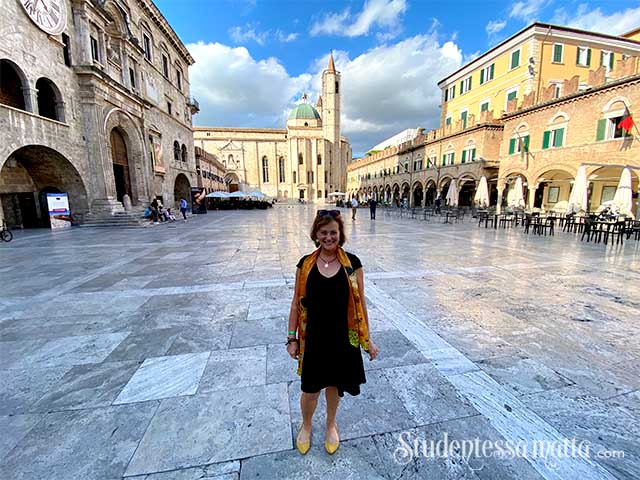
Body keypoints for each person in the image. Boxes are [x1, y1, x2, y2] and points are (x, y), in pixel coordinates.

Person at [287, 210, 378, 456]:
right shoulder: (305, 264)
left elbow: (361, 303)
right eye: (324, 232)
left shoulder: (353, 264)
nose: (329, 237)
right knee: (310, 389)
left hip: (342, 338)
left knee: (335, 387)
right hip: (313, 337)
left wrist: (366, 338)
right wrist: (291, 338)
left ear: (341, 235)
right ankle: (306, 425)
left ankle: (330, 425)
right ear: (316, 234)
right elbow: (296, 302)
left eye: (333, 233)